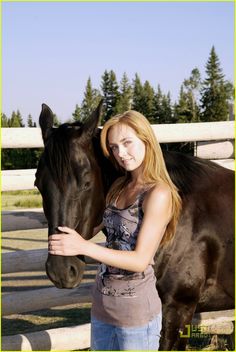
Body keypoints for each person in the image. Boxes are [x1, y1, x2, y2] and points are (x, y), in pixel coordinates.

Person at [48, 110, 182, 350]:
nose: (121, 153)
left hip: (136, 317)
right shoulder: (120, 186)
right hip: (102, 309)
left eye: (127, 142)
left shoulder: (158, 193)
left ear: (146, 139)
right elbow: (114, 244)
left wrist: (82, 246)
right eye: (114, 147)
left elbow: (140, 260)